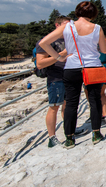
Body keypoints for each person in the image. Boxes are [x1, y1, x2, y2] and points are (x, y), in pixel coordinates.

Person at [40, 1, 106, 148]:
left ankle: (69, 139)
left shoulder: (67, 27)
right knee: (95, 101)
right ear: (93, 14)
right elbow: (103, 50)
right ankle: (96, 133)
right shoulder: (97, 28)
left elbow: (44, 43)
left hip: (71, 67)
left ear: (77, 12)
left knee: (71, 103)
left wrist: (58, 57)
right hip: (92, 67)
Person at [35, 15, 71, 147]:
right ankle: (52, 137)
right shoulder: (46, 42)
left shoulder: (69, 40)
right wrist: (60, 56)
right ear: (57, 25)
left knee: (68, 106)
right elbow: (40, 63)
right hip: (56, 78)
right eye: (66, 24)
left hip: (69, 76)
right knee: (54, 107)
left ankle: (69, 130)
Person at [84, 27, 106, 124]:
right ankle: (104, 113)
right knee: (102, 93)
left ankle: (94, 113)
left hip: (96, 68)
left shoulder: (95, 43)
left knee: (89, 92)